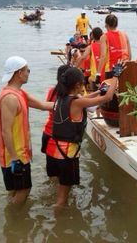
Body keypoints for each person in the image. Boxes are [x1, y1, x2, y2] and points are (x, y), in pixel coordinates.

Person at [50, 66, 121, 207]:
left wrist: (98, 91)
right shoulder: (77, 102)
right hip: (67, 154)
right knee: (62, 197)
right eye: (82, 84)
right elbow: (107, 97)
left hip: (56, 151)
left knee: (62, 190)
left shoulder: (62, 97)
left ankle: (59, 219)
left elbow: (86, 97)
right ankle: (60, 223)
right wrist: (116, 76)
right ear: (77, 85)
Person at [0, 56, 54, 205]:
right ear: (18, 73)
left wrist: (71, 102)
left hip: (21, 153)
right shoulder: (10, 98)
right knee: (24, 189)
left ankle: (12, 216)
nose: (29, 73)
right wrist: (15, 158)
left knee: (16, 189)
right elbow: (5, 131)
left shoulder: (20, 93)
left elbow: (42, 105)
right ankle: (15, 220)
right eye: (27, 70)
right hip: (14, 156)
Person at [96, 14, 131, 83]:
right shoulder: (125, 35)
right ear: (116, 24)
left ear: (106, 24)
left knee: (108, 92)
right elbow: (129, 56)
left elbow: (103, 56)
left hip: (111, 70)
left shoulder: (104, 37)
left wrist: (98, 74)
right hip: (125, 67)